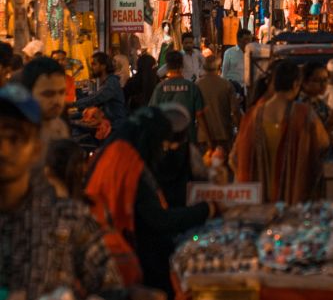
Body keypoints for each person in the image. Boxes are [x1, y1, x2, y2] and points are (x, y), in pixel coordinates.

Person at [0, 84, 124, 298]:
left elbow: (110, 288)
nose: (3, 149)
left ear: (36, 149)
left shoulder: (68, 217)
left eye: (15, 138)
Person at [85, 105, 220, 296]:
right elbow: (157, 219)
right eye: (161, 143)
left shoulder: (117, 150)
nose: (164, 149)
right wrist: (207, 209)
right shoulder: (129, 165)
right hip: (123, 254)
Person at [232, 60, 329, 203]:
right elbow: (323, 144)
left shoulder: (252, 115)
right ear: (296, 84)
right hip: (293, 201)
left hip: (258, 203)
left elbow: (235, 157)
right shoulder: (304, 114)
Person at [149, 50, 208, 204]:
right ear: (182, 65)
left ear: (167, 66)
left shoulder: (160, 89)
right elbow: (201, 116)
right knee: (188, 180)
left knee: (167, 180)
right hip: (188, 141)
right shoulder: (192, 87)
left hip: (165, 144)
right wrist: (207, 140)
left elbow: (152, 115)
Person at [22, 57, 70, 145]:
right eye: (48, 94)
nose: (57, 100)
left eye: (62, 92)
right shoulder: (14, 134)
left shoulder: (60, 127)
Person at [73, 52, 128, 128]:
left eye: (94, 64)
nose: (91, 67)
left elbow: (96, 98)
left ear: (103, 66)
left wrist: (72, 104)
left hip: (115, 127)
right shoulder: (106, 82)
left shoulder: (111, 82)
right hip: (110, 125)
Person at [196, 55, 239, 151]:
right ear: (219, 68)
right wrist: (239, 129)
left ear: (204, 68)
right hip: (223, 133)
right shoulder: (227, 85)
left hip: (203, 136)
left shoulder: (197, 85)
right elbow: (235, 111)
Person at [300, 61, 333, 135]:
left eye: (325, 80)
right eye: (317, 80)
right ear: (304, 82)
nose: (323, 84)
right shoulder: (300, 104)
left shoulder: (320, 103)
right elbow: (313, 137)